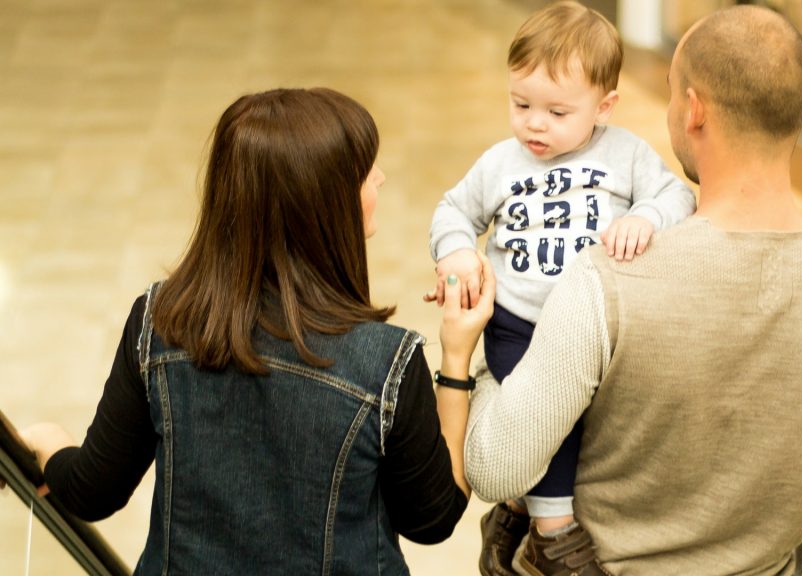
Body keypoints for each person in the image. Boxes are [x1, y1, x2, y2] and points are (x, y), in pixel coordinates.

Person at [464, 5, 802, 575]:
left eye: (674, 93)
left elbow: (498, 467)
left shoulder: (607, 279)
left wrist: (478, 344)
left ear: (694, 110)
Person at [12, 88, 495, 576]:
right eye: (365, 170)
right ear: (323, 203)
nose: (381, 177)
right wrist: (456, 362)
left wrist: (49, 446)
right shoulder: (384, 363)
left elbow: (93, 491)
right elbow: (432, 518)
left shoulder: (159, 323)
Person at [426, 2, 694, 573]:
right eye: (521, 105)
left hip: (595, 322)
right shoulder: (501, 164)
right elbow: (454, 210)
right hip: (518, 322)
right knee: (552, 416)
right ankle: (553, 530)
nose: (534, 124)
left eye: (556, 111)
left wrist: (645, 217)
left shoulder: (625, 155)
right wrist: (455, 251)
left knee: (600, 419)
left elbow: (678, 196)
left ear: (604, 107)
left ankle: (515, 509)